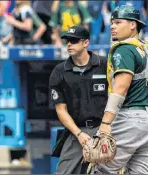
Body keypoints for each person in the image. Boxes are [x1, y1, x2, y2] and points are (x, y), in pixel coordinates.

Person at [92, 5, 148, 174]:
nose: (112, 27)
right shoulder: (147, 51)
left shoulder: (124, 49)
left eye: (118, 22)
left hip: (130, 119)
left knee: (101, 170)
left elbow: (121, 88)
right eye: (112, 23)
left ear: (132, 25)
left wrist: (106, 123)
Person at [49, 25, 108, 174]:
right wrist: (79, 134)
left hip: (104, 129)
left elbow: (118, 96)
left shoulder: (104, 64)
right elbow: (61, 110)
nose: (69, 44)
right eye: (67, 41)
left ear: (86, 43)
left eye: (74, 41)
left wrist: (106, 129)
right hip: (76, 131)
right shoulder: (59, 71)